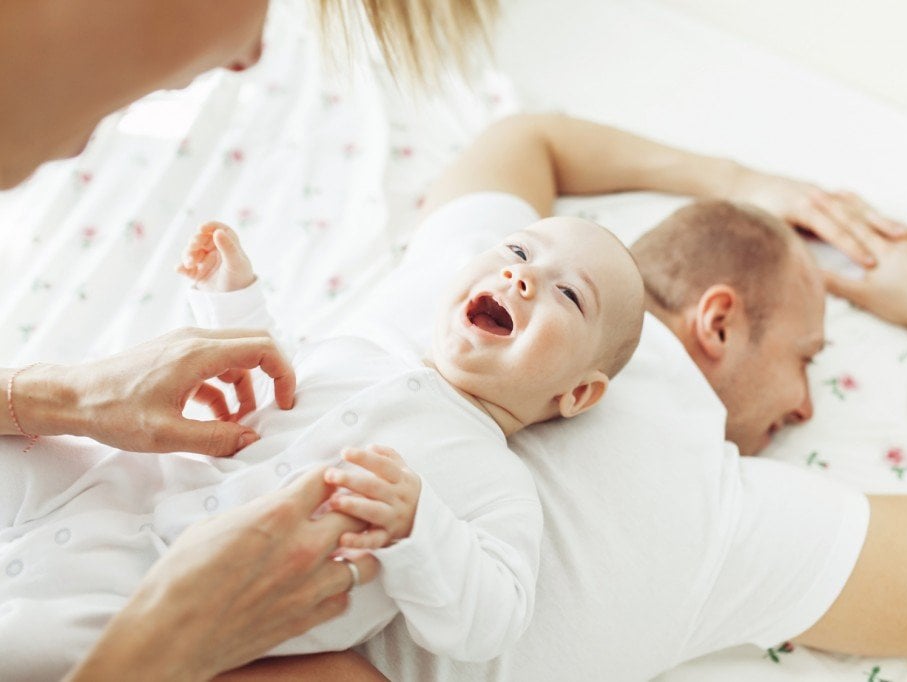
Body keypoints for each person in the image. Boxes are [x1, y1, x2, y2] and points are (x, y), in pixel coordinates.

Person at [244, 113, 907, 680]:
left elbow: (525, 138)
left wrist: (740, 180)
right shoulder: (712, 506)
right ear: (716, 321)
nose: (806, 406)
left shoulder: (468, 266)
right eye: (805, 357)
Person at [0, 0, 500, 677]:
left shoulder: (494, 480)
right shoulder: (375, 349)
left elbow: (263, 381)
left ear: (578, 391)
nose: (254, 56)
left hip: (99, 528)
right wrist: (165, 642)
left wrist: (46, 398)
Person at [0, 212, 643, 678]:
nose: (521, 277)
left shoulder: (495, 484)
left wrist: (423, 528)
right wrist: (232, 299)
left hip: (148, 601)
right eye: (518, 250)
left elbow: (492, 621)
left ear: (578, 394)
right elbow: (260, 378)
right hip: (116, 490)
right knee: (31, 455)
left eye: (567, 294)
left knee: (33, 644)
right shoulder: (352, 352)